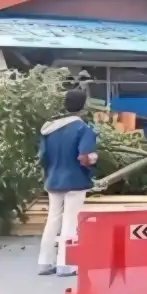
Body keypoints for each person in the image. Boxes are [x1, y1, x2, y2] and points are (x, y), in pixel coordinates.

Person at [37, 88, 99, 277]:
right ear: (83, 106)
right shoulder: (83, 128)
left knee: (52, 219)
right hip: (75, 179)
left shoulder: (49, 128)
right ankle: (66, 264)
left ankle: (45, 262)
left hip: (53, 179)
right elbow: (84, 157)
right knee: (71, 221)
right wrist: (94, 160)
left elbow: (42, 157)